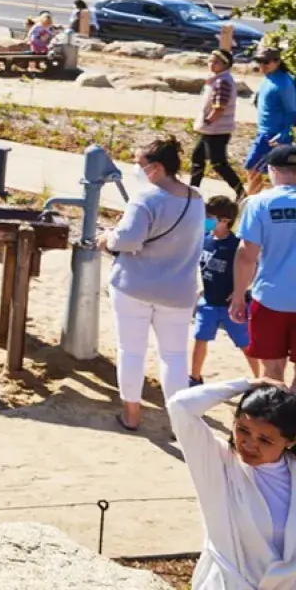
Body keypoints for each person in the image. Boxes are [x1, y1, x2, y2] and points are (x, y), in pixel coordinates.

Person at [99, 135, 204, 431]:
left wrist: (107, 239)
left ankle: (131, 414)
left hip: (135, 284)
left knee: (131, 350)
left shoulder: (146, 197)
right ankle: (178, 421)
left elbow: (129, 239)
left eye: (139, 163)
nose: (136, 168)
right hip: (179, 289)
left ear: (156, 167)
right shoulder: (195, 198)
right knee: (174, 356)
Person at [166, 379, 296, 589]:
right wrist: (247, 384)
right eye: (243, 430)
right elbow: (180, 406)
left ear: (290, 441)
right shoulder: (218, 464)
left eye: (265, 440)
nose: (249, 444)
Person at [233, 146, 296, 384]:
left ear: (272, 170)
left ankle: (276, 421)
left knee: (271, 375)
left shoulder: (259, 203)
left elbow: (246, 256)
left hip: (270, 298)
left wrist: (239, 296)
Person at [192, 194, 257, 387]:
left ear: (225, 221)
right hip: (209, 302)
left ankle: (259, 379)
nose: (205, 221)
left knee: (245, 344)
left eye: (210, 217)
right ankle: (194, 377)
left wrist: (240, 290)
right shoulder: (204, 239)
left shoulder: (235, 245)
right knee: (200, 339)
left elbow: (253, 266)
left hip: (231, 306)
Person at [194, 49, 247, 196]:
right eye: (210, 61)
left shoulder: (223, 81)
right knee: (197, 159)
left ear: (225, 64)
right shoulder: (217, 79)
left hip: (216, 130)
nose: (211, 64)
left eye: (216, 62)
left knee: (218, 164)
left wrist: (207, 121)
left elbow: (219, 107)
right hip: (210, 129)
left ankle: (240, 191)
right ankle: (193, 191)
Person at [247, 49, 296, 193]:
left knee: (254, 169)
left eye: (266, 62)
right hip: (264, 133)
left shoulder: (284, 84)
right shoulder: (268, 77)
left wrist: (283, 134)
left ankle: (251, 203)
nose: (262, 65)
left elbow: (292, 112)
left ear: (277, 62)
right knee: (270, 173)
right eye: (259, 61)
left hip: (273, 136)